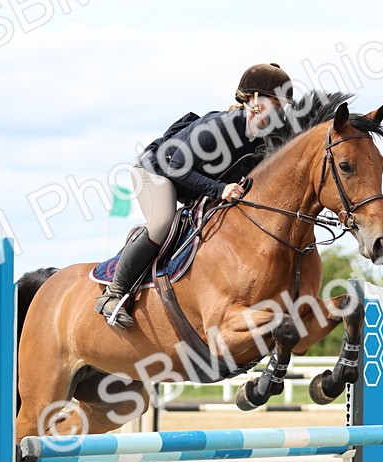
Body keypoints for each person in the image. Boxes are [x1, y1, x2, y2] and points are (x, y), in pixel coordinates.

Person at [96, 63, 294, 328]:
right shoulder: (220, 126)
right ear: (255, 100)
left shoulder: (262, 138)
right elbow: (175, 167)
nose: (282, 112)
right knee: (162, 223)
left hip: (191, 182)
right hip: (157, 172)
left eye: (285, 106)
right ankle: (115, 292)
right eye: (277, 104)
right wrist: (220, 190)